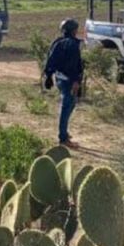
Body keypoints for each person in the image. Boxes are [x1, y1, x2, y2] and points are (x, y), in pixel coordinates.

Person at [43, 19, 84, 149]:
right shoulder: (72, 45)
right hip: (69, 81)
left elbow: (50, 60)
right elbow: (74, 66)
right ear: (73, 30)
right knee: (67, 107)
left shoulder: (57, 42)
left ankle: (64, 132)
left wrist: (49, 76)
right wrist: (76, 81)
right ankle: (63, 138)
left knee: (70, 105)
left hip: (60, 78)